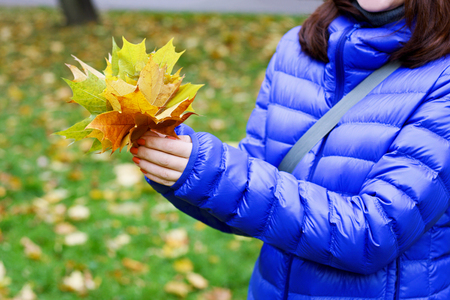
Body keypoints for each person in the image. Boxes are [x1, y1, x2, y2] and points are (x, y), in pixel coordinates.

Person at [129, 0, 450, 298]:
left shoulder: (443, 77)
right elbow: (249, 191)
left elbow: (374, 234)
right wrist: (180, 167)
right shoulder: (295, 49)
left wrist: (212, 172)